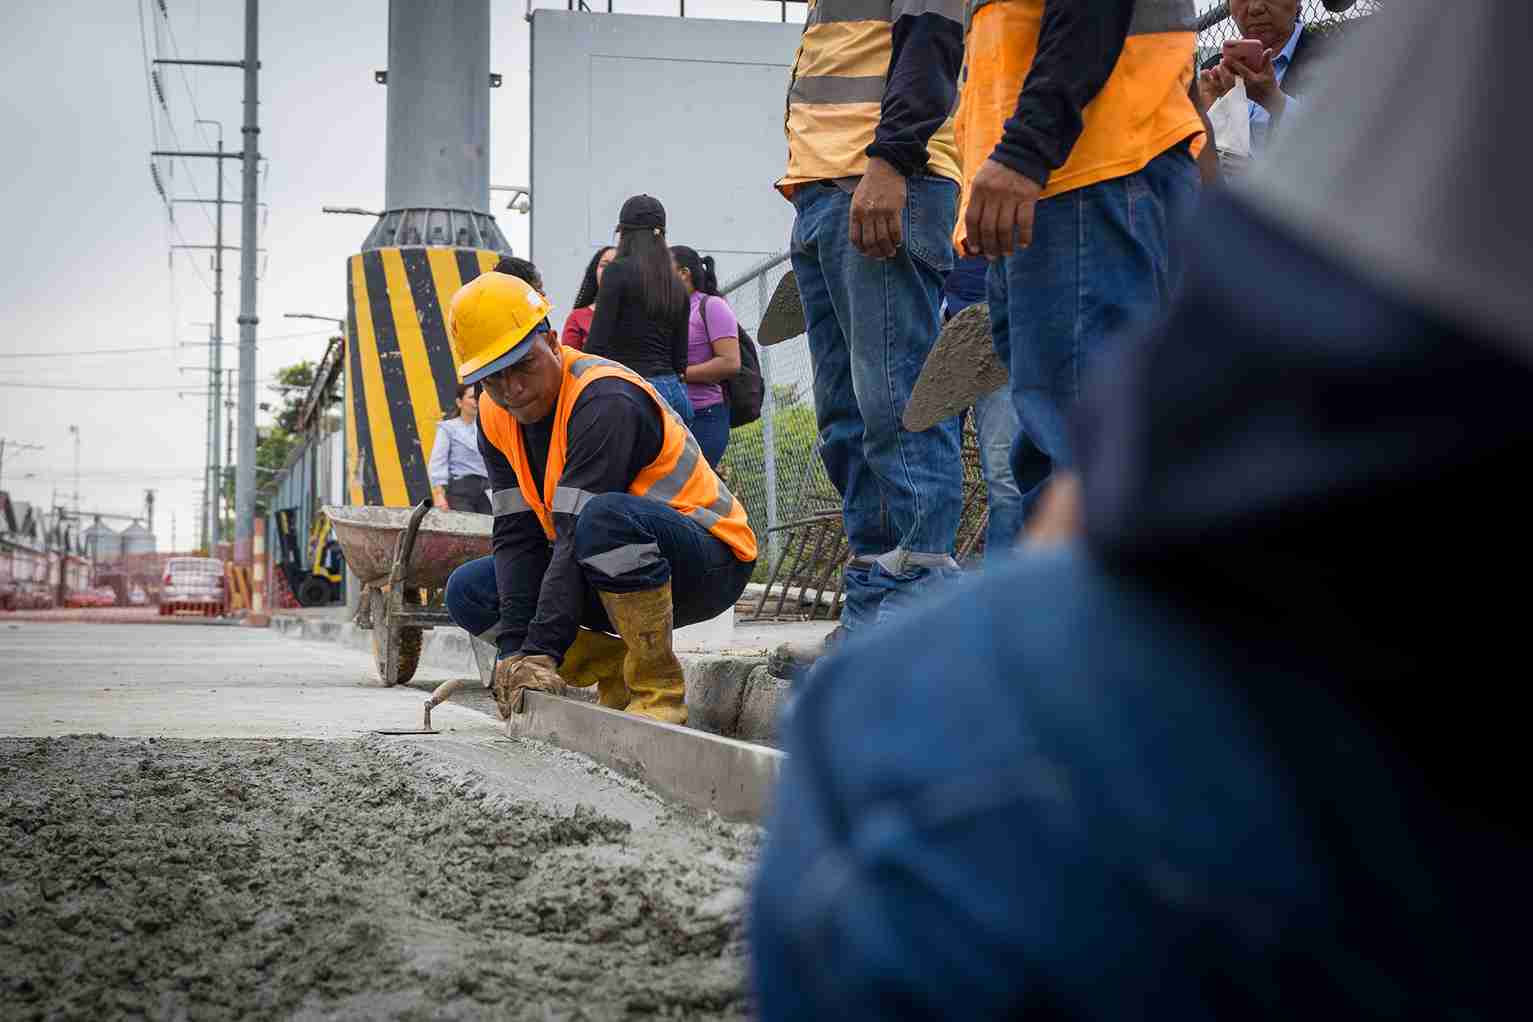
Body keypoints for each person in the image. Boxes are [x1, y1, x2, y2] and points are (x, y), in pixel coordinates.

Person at [751, 1, 1530, 1016]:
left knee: (878, 751)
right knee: (1031, 462)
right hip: (1081, 163)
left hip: (1082, 163)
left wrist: (1023, 148)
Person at [441, 271, 756, 725]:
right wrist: (515, 654)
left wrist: (543, 651)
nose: (512, 389)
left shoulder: (604, 398)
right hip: (604, 564)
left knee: (602, 518)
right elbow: (517, 537)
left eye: (523, 365)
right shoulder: (495, 416)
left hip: (705, 563)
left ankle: (657, 692)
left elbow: (573, 532)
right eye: (493, 378)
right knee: (469, 590)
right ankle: (616, 671)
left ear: (551, 342)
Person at [956, 0, 1202, 532]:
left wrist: (1026, 149)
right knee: (1087, 447)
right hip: (1075, 174)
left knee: (1080, 455)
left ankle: (1082, 613)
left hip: (1083, 169)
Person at [777, 0, 966, 636]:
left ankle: (921, 603)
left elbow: (932, 41)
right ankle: (874, 605)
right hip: (825, 188)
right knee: (846, 418)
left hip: (882, 181)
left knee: (898, 401)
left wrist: (889, 162)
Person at [582, 196, 693, 424]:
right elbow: (680, 360)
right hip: (675, 397)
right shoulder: (677, 285)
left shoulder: (616, 272)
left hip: (631, 393)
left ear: (624, 234)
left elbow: (596, 345)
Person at [941, 254, 1025, 558]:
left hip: (997, 325)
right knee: (933, 472)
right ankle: (931, 584)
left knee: (1005, 478)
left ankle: (1002, 593)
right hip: (940, 324)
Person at [1197, 0, 1347, 156]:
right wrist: (1202, 117)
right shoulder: (1211, 72)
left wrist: (1275, 101)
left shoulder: (1338, 59)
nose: (1255, 8)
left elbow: (1346, 146)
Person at [671, 245, 740, 469]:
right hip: (672, 418)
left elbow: (730, 363)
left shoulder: (711, 306)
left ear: (684, 273)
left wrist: (680, 375)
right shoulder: (666, 310)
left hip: (705, 417)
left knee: (690, 489)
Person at [427, 383, 491, 514]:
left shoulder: (487, 428)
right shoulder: (447, 428)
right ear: (459, 402)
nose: (476, 402)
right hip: (461, 491)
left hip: (486, 490)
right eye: (472, 397)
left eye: (479, 397)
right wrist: (439, 495)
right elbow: (438, 462)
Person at [561, 246, 616, 352]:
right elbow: (570, 362)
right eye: (604, 265)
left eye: (616, 266)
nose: (610, 271)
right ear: (594, 271)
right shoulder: (577, 317)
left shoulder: (640, 315)